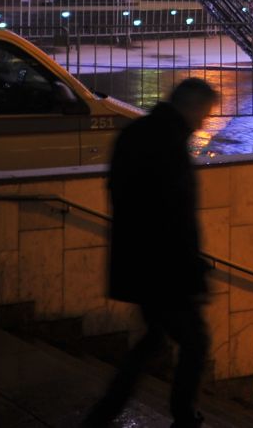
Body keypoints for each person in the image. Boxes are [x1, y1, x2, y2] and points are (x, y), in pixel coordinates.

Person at [84, 77, 222, 428]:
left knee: (153, 343)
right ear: (190, 106)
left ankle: (104, 414)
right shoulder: (168, 143)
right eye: (205, 114)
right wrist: (192, 267)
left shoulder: (139, 133)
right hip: (163, 268)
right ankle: (182, 416)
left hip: (140, 262)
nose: (205, 122)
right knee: (194, 343)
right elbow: (175, 215)